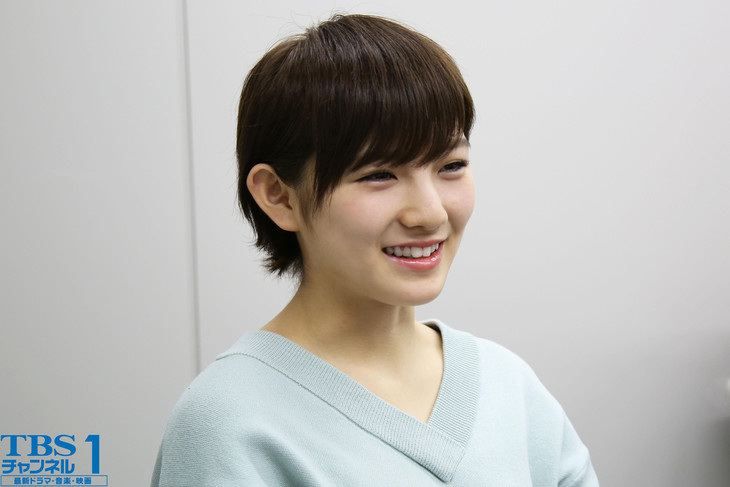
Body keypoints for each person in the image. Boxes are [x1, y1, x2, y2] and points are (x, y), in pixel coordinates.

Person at [151, 14, 599, 486]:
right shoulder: (228, 423)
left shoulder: (507, 385)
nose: (429, 213)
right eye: (379, 175)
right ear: (279, 196)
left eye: (451, 165)